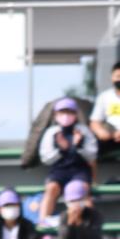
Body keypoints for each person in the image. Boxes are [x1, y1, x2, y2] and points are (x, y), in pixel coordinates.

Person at [36, 97, 98, 226]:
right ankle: (43, 222)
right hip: (59, 171)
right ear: (55, 115)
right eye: (62, 112)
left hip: (79, 170)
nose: (66, 116)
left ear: (75, 114)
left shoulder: (84, 131)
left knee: (81, 190)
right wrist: (61, 150)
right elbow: (45, 158)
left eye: (69, 112)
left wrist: (79, 146)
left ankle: (89, 224)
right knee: (51, 188)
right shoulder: (51, 133)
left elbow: (92, 155)